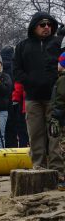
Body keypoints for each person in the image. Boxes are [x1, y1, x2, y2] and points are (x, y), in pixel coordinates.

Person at [13, 11, 63, 175]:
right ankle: (39, 167)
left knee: (54, 135)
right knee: (35, 134)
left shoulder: (57, 43)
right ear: (34, 27)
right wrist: (30, 82)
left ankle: (57, 169)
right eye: (42, 25)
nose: (46, 27)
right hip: (32, 97)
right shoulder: (22, 46)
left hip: (54, 97)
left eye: (49, 24)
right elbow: (16, 70)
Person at [48, 51, 65, 190]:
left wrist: (55, 117)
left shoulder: (62, 80)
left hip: (63, 119)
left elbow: (60, 101)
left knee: (63, 147)